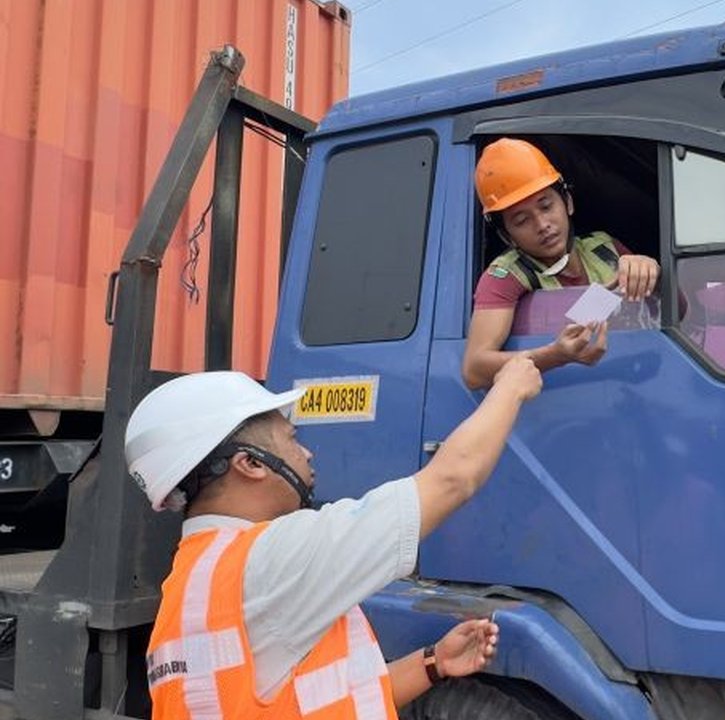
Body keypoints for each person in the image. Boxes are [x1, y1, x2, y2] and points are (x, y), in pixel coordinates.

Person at [125, 355, 542, 717]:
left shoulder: (195, 579)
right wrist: (510, 386)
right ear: (250, 464)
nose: (308, 454)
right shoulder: (273, 559)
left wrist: (432, 664)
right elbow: (453, 479)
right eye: (292, 439)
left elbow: (314, 702)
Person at [462, 137, 661, 389]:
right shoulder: (503, 277)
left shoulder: (604, 247)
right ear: (506, 235)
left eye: (546, 206)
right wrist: (555, 355)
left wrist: (652, 272)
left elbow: (680, 313)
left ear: (567, 201)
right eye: (522, 220)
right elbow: (474, 369)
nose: (542, 225)